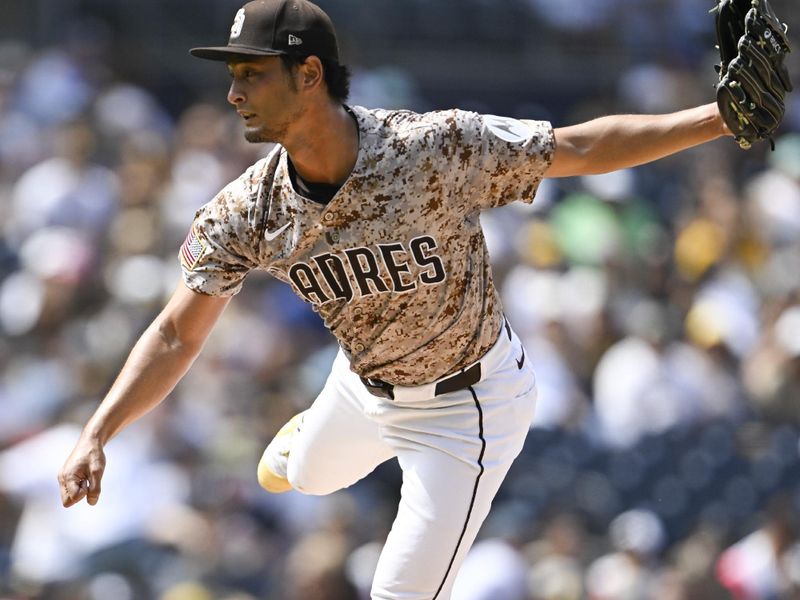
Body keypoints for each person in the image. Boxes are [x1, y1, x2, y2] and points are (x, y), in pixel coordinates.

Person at [58, 0, 733, 597]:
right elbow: (177, 334)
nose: (233, 93)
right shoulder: (248, 211)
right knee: (311, 477)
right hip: (362, 384)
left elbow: (578, 147)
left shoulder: (429, 148)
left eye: (252, 73)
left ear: (309, 74)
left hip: (467, 405)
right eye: (234, 75)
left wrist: (716, 118)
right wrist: (98, 430)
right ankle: (304, 445)